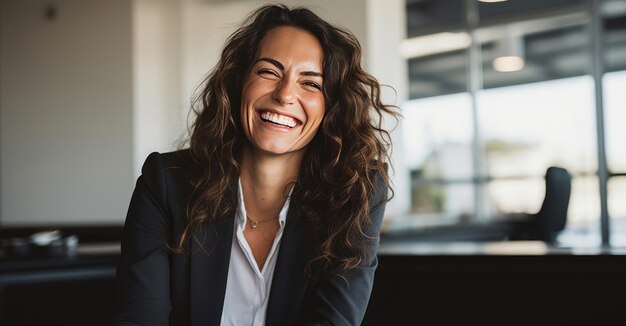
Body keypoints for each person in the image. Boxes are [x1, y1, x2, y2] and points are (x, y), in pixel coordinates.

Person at [112, 3, 397, 326]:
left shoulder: (356, 193)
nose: (285, 95)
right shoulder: (166, 183)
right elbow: (140, 318)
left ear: (331, 106)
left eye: (311, 83)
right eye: (268, 71)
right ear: (238, 83)